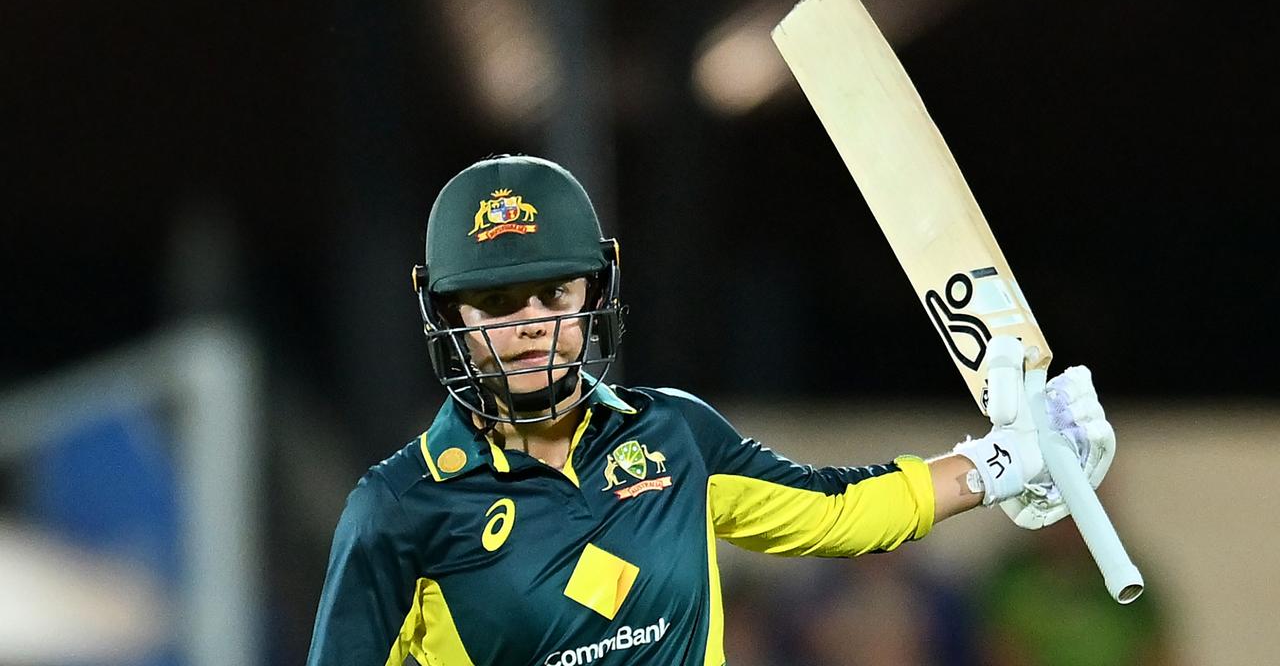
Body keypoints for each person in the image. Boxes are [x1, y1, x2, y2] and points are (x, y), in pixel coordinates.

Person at [306, 155, 1116, 666]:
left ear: (596, 286)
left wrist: (1005, 460)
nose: (529, 330)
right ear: (445, 313)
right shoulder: (397, 512)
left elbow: (837, 510)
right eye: (492, 303)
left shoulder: (674, 437)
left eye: (552, 293)